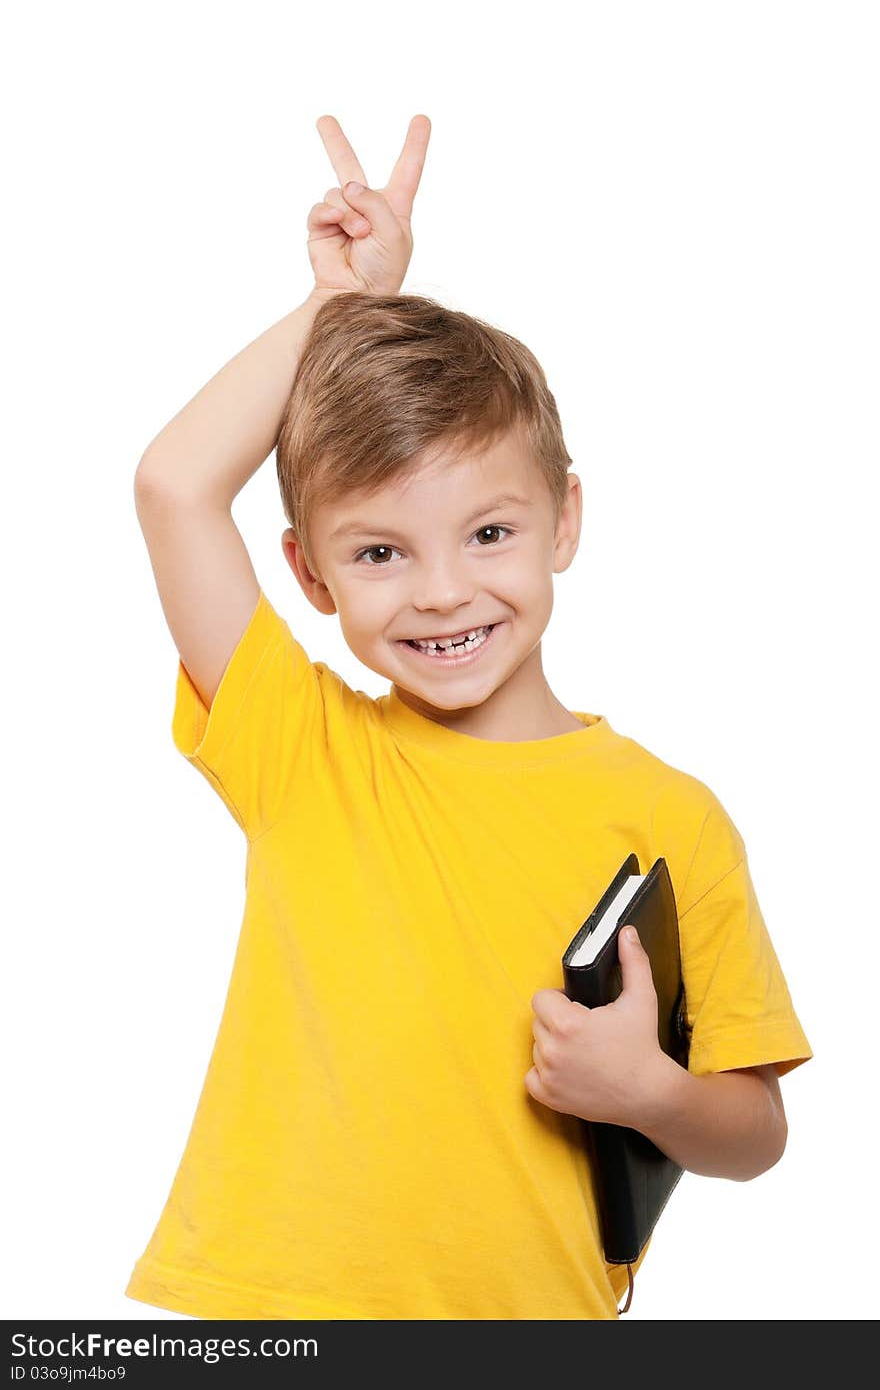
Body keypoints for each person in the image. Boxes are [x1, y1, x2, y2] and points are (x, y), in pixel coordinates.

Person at [126, 113, 812, 1321]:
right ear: (309, 575)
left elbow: (753, 1133)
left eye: (488, 532)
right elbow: (176, 484)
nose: (442, 590)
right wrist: (340, 305)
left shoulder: (669, 815)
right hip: (272, 1320)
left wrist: (646, 1092)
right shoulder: (306, 749)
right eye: (380, 550)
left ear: (563, 522)